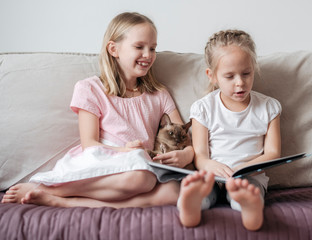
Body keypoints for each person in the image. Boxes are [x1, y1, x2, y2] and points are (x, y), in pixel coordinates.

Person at [1, 12, 194, 208]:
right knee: (141, 178)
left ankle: (60, 202)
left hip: (142, 163)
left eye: (153, 48)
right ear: (113, 49)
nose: (148, 55)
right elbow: (90, 144)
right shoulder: (91, 88)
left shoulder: (159, 93)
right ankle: (48, 189)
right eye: (139, 47)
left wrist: (186, 155)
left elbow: (185, 136)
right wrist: (124, 150)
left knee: (173, 192)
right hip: (104, 158)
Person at [177, 30, 281, 231]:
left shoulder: (269, 107)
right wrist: (210, 165)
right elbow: (200, 155)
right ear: (212, 76)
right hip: (213, 177)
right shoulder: (203, 108)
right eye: (229, 76)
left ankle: (250, 209)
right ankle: (191, 206)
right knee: (204, 192)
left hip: (248, 177)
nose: (240, 82)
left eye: (246, 73)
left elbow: (273, 153)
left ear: (254, 69)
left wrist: (242, 170)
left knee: (248, 191)